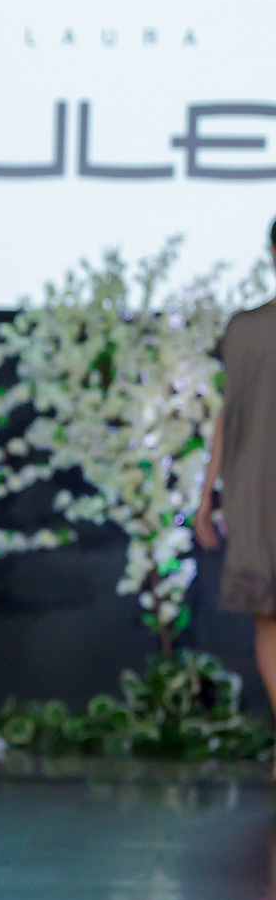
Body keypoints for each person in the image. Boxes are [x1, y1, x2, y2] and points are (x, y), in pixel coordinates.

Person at [195, 217, 276, 774]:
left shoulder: (244, 328)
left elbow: (228, 414)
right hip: (255, 483)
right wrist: (207, 495)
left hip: (252, 484)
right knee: (268, 615)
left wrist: (208, 494)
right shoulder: (244, 328)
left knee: (269, 618)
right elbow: (230, 412)